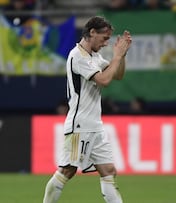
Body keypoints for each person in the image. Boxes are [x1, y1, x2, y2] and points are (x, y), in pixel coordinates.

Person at [42, 16, 132, 203]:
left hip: (95, 127)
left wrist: (121, 56)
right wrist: (115, 57)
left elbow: (118, 75)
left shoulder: (95, 58)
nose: (106, 43)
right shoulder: (77, 56)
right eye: (104, 38)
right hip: (80, 125)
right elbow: (104, 80)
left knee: (108, 171)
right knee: (67, 171)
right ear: (92, 32)